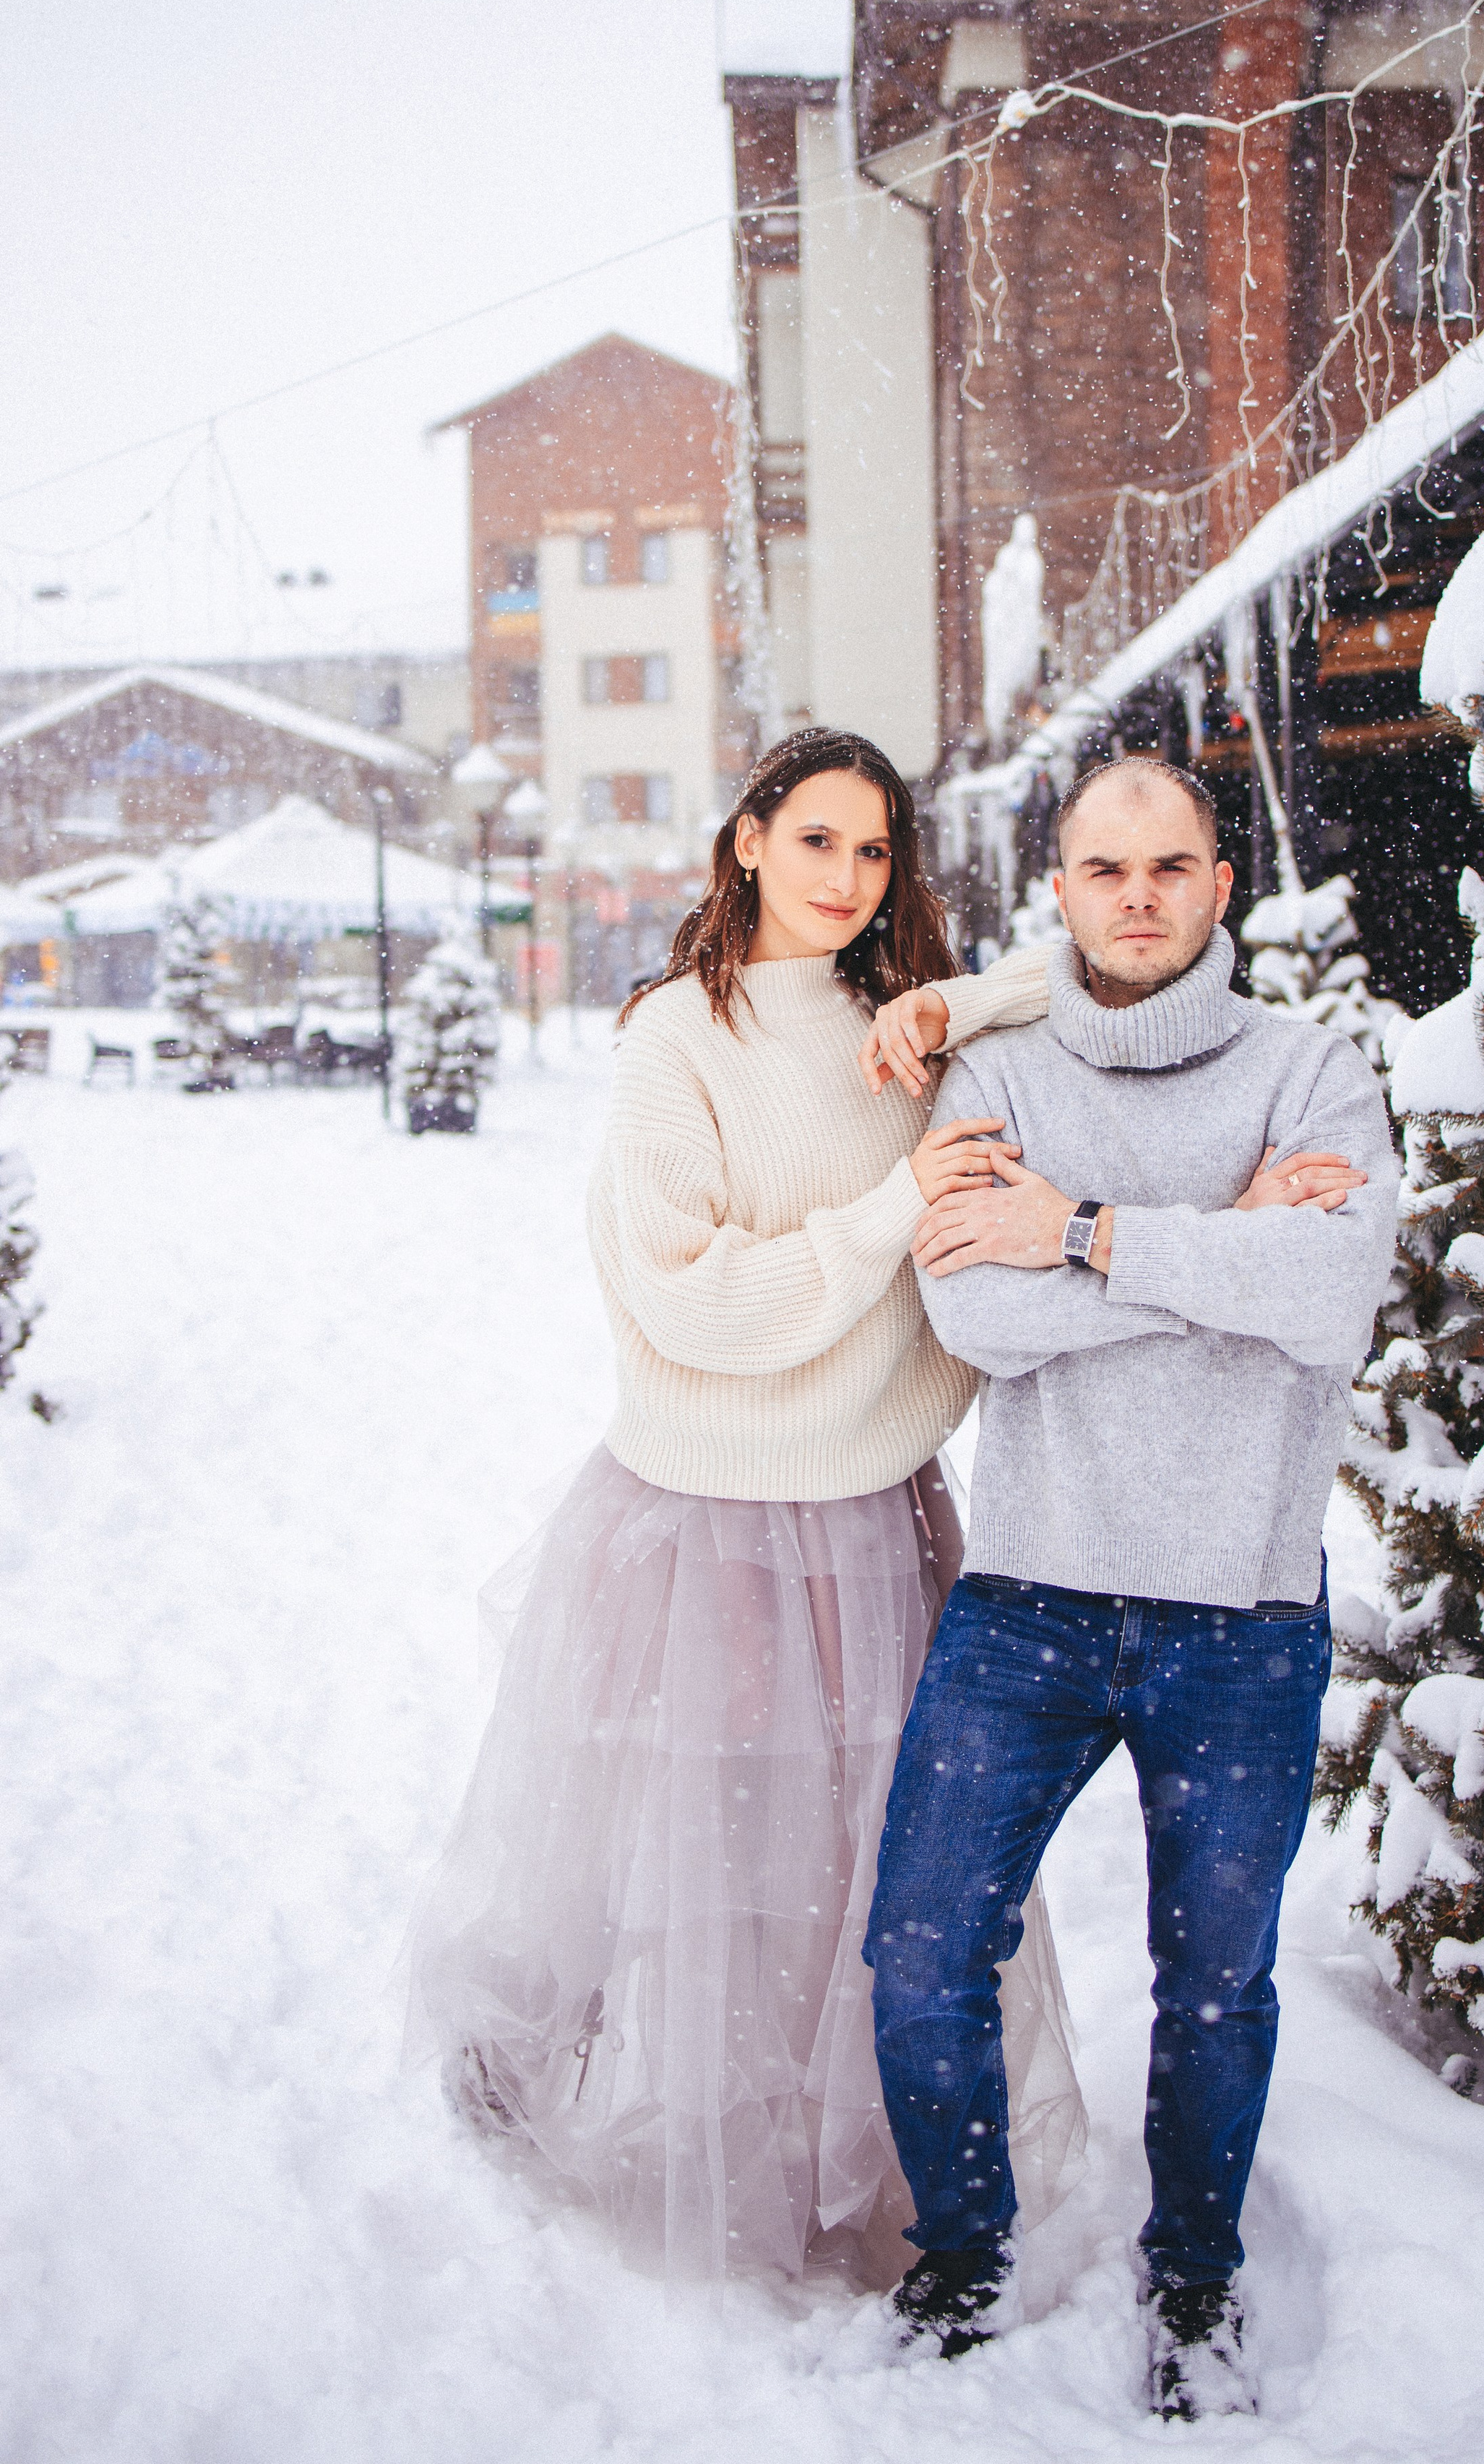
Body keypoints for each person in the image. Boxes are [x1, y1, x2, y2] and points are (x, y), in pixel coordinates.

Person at [405, 725, 1084, 2287]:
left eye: (875, 851)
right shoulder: (673, 1042)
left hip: (883, 1517)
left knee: (872, 1884)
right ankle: (661, 2128)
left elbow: (1107, 972)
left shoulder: (890, 1018)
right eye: (817, 841)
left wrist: (945, 999)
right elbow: (697, 1304)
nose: (848, 880)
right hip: (714, 1525)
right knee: (714, 1865)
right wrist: (900, 1204)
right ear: (745, 843)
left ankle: (854, 2159)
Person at [863, 754, 1397, 2415]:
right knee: (917, 1947)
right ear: (1063, 891)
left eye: (1170, 867)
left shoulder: (1312, 1072)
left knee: (1214, 1985)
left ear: (1219, 885)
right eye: (1106, 871)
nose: (1140, 898)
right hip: (1027, 1599)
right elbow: (973, 1319)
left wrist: (1086, 1232)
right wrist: (1215, 1247)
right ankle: (964, 2244)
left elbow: (1331, 1300)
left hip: (1238, 1614)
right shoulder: (998, 1078)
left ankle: (1196, 2277)